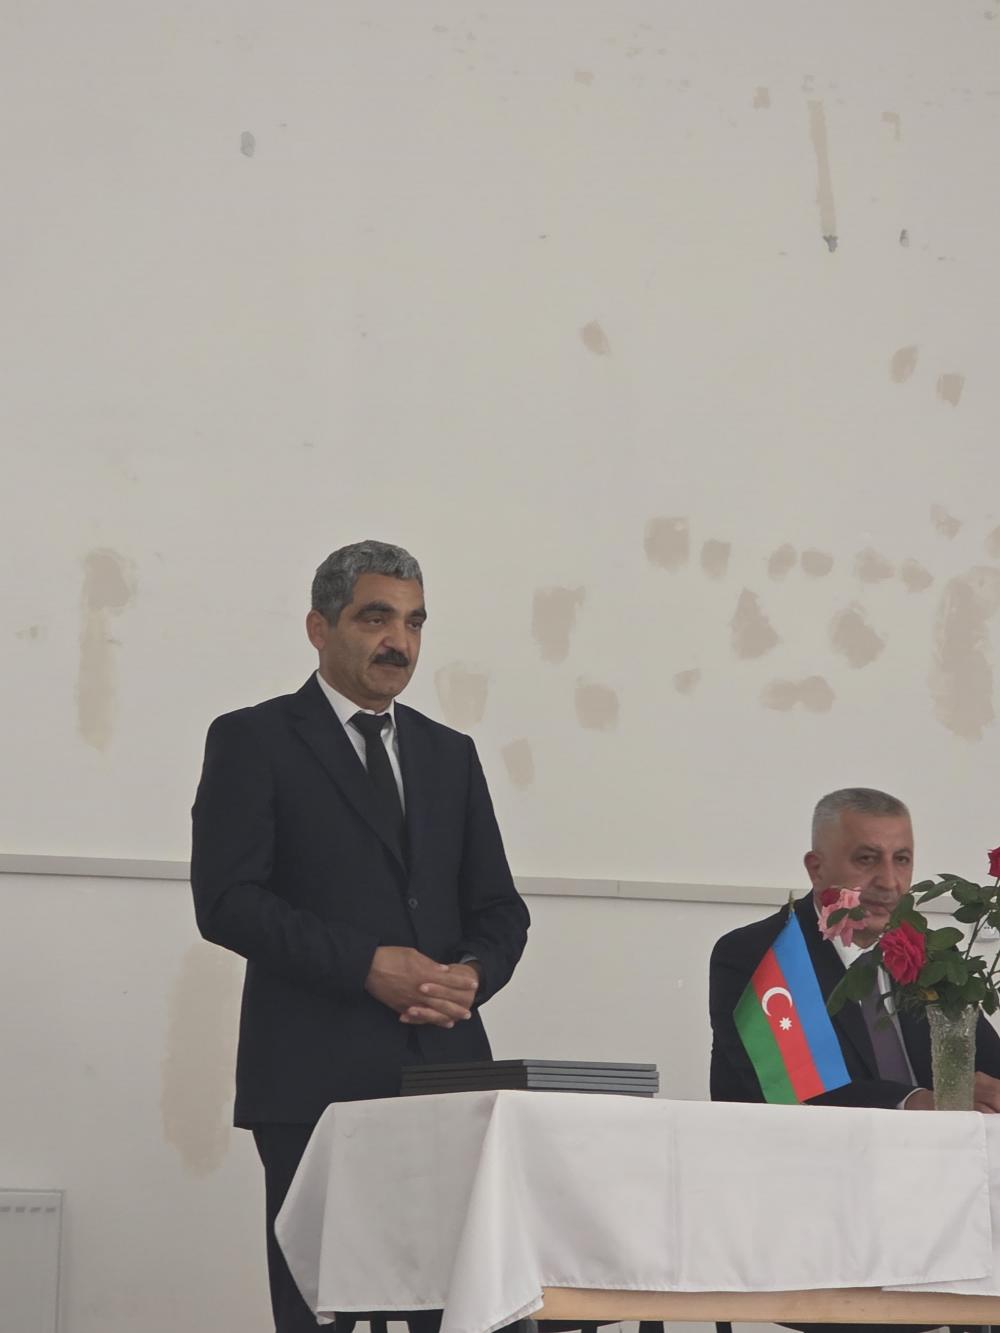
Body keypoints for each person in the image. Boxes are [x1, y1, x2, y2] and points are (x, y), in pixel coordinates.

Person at [191, 539, 530, 1333]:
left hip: (448, 1076)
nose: (398, 641)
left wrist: (472, 974)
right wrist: (365, 965)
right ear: (319, 627)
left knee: (463, 1306)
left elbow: (500, 909)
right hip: (313, 1076)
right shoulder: (255, 739)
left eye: (414, 622)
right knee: (326, 1309)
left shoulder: (450, 754)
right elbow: (227, 901)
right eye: (376, 617)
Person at [710, 786, 1000, 1110]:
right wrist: (916, 1103)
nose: (889, 882)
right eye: (866, 859)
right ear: (816, 869)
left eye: (901, 860)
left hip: (934, 1143)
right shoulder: (759, 955)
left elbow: (986, 1064)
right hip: (806, 1142)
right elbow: (797, 1090)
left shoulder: (930, 955)